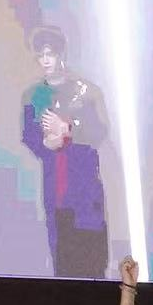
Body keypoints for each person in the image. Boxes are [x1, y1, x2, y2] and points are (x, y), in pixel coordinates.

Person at [20, 26, 110, 278]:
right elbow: (29, 136)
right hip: (55, 193)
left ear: (61, 53)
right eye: (40, 55)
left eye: (50, 53)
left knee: (92, 261)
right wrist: (45, 143)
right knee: (62, 262)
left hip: (85, 191)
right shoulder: (33, 95)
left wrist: (68, 129)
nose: (45, 60)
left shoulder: (86, 91)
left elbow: (99, 131)